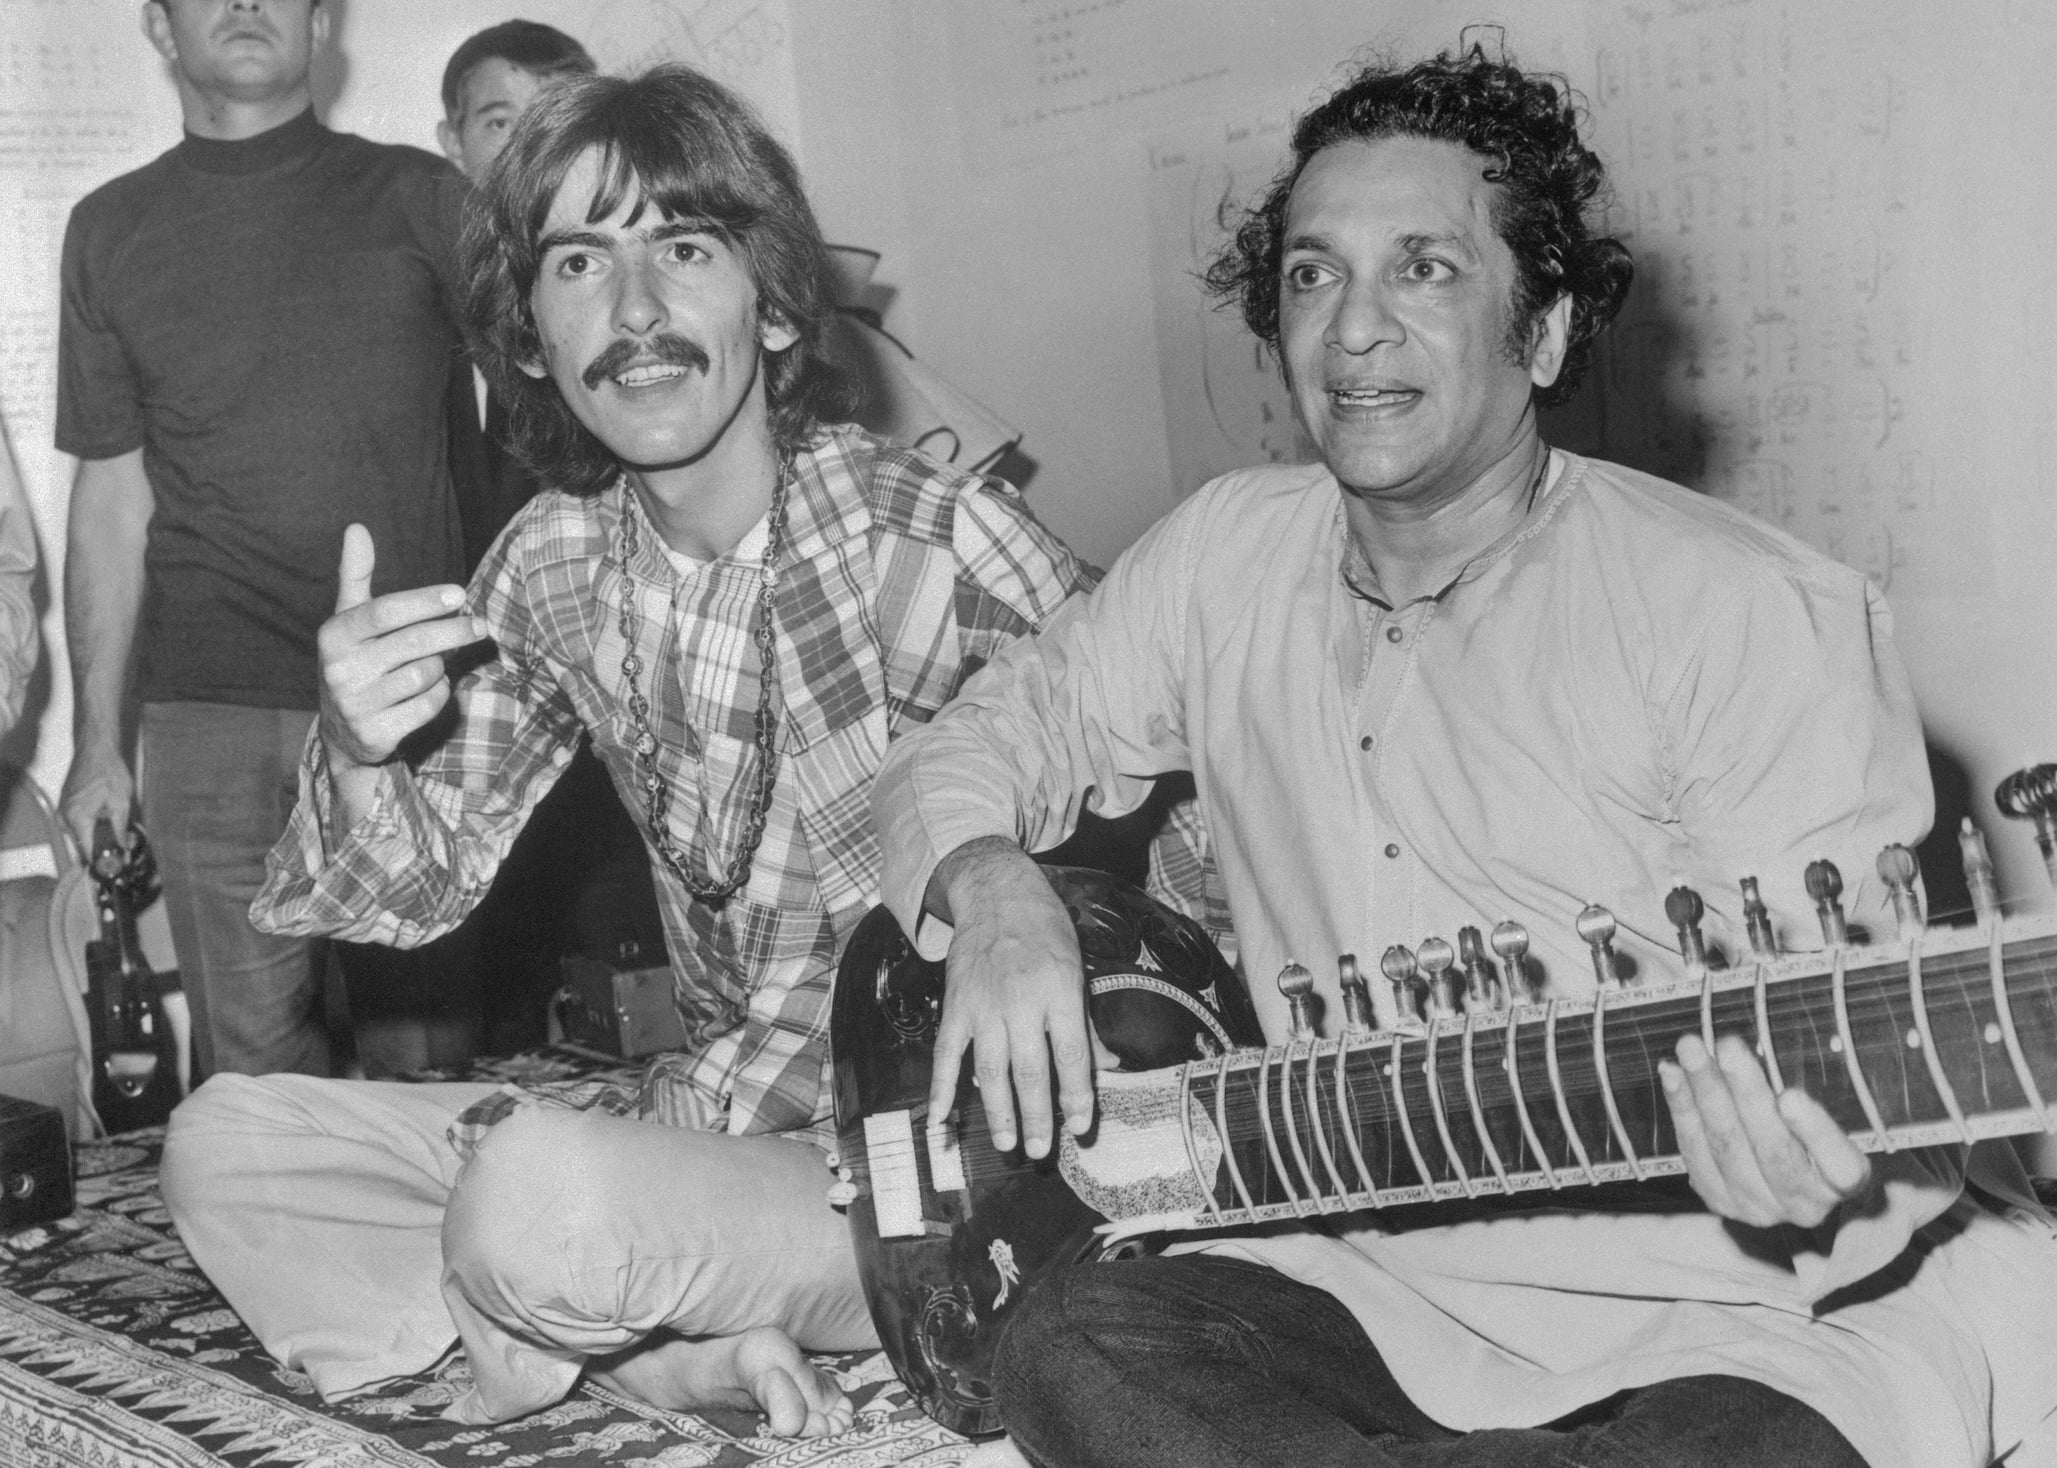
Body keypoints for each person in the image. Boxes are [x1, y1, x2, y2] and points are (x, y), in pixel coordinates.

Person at [872, 45, 2057, 1468]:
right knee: (1073, 1347)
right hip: (1385, 1281)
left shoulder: (1745, 610)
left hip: (1758, 1309)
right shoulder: (1222, 560)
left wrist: (1810, 1164)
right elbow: (978, 737)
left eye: (1423, 269)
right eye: (1312, 275)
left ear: (1541, 333)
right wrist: (990, 884)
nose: (1354, 328)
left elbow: (1863, 1083)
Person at [157, 64, 1174, 1438]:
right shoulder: (555, 563)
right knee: (227, 1142)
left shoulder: (928, 535)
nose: (634, 312)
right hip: (708, 1115)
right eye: (580, 262)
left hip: (923, 1164)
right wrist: (354, 750)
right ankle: (653, 1347)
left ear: (774, 301)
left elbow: (1186, 784)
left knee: (534, 1204)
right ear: (530, 338)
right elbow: (413, 888)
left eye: (683, 250)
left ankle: (617, 1321)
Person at [56, 0, 475, 1079]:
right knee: (256, 1093)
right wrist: (97, 745)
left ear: (321, 22)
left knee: (430, 1073)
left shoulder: (424, 197)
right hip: (208, 714)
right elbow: (111, 498)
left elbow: (547, 407)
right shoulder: (109, 229)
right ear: (160, 28)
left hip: (412, 702)